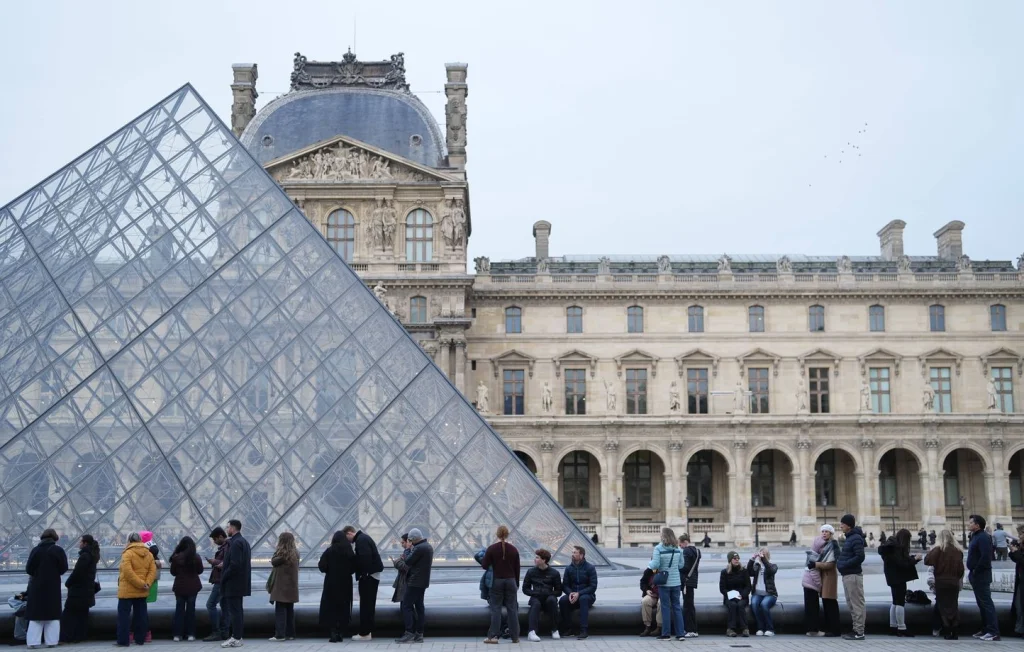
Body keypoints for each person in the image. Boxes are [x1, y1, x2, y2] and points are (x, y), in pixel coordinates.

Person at [25, 528, 68, 649]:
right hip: (53, 586)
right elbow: (64, 568)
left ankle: (33, 642)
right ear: (55, 538)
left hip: (37, 586)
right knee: (53, 615)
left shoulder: (36, 550)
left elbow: (28, 569)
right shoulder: (58, 550)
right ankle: (52, 641)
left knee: (36, 615)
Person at [116, 533, 157, 648]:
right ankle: (140, 639)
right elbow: (152, 571)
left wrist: (139, 583)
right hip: (142, 590)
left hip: (127, 590)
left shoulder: (127, 553)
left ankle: (123, 641)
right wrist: (146, 583)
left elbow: (128, 572)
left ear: (129, 540)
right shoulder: (148, 554)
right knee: (141, 616)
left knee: (123, 617)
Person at [481, 525, 521, 644]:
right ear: (507, 534)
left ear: (497, 535)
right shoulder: (514, 549)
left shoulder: (492, 549)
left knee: (496, 609)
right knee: (512, 609)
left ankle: (493, 636)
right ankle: (515, 637)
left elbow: (484, 565)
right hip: (511, 581)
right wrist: (516, 583)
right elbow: (517, 569)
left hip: (497, 581)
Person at [344, 526, 384, 642]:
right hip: (372, 576)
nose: (348, 541)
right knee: (369, 605)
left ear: (350, 533)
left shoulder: (361, 540)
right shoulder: (364, 538)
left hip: (368, 577)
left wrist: (363, 575)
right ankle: (367, 632)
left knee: (366, 605)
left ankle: (365, 633)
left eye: (347, 538)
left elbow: (364, 559)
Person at [878, 529, 920, 637]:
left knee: (895, 602)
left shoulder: (890, 546)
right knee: (900, 602)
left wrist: (912, 559)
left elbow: (899, 561)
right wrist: (915, 559)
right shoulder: (895, 548)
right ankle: (902, 627)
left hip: (892, 577)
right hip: (898, 578)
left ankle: (893, 627)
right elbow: (902, 564)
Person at [394, 528, 432, 644]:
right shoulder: (428, 546)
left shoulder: (418, 548)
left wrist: (408, 550)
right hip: (423, 582)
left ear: (413, 539)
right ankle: (419, 634)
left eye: (410, 540)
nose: (409, 542)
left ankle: (409, 632)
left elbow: (408, 561)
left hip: (414, 581)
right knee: (419, 607)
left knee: (406, 605)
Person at [924, 529, 964, 640]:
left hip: (941, 582)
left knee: (943, 607)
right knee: (953, 606)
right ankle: (955, 631)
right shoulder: (958, 551)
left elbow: (927, 561)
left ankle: (947, 631)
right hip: (954, 582)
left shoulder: (939, 549)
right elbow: (961, 570)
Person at [219, 519, 252, 648]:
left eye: (228, 528)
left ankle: (236, 637)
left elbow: (235, 565)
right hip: (240, 583)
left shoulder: (236, 543)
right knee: (238, 611)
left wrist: (224, 577)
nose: (227, 530)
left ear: (233, 528)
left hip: (233, 583)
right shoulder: (244, 542)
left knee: (235, 612)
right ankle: (238, 636)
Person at [967, 514, 999, 641]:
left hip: (981, 575)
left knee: (986, 603)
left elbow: (986, 557)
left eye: (971, 522)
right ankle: (986, 629)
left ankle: (993, 631)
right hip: (977, 575)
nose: (969, 524)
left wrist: (975, 570)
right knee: (982, 604)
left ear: (977, 525)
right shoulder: (976, 536)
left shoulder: (983, 537)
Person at [60, 534, 98, 644]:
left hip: (78, 591)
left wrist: (68, 583)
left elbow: (77, 573)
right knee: (82, 615)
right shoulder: (93, 555)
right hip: (87, 591)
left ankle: (66, 637)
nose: (78, 543)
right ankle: (80, 636)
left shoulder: (85, 556)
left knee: (68, 614)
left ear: (85, 543)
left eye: (80, 541)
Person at [318, 531, 355, 643]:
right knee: (343, 607)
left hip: (331, 583)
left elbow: (322, 566)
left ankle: (333, 632)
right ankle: (341, 632)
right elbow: (354, 567)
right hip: (346, 583)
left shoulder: (329, 551)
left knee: (332, 607)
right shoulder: (349, 551)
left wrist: (330, 569)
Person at [648, 527, 684, 641]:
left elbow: (655, 565)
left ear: (663, 536)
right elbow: (681, 565)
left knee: (665, 608)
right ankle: (680, 634)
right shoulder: (678, 549)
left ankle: (666, 634)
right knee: (677, 607)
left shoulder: (658, 548)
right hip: (676, 582)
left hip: (664, 583)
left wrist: (649, 563)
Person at [837, 514, 866, 640]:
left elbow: (860, 557)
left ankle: (859, 632)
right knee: (851, 604)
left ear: (848, 525)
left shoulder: (856, 538)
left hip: (853, 575)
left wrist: (844, 564)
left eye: (842, 524)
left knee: (856, 604)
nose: (840, 526)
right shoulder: (850, 538)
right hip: (848, 574)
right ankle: (855, 629)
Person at [522, 548, 562, 641]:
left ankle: (554, 629)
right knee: (535, 604)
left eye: (537, 557)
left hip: (549, 597)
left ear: (544, 560)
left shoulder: (554, 573)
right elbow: (525, 589)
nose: (534, 559)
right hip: (536, 596)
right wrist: (535, 593)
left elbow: (559, 591)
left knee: (552, 600)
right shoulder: (531, 571)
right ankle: (532, 631)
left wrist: (549, 593)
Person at [170, 536, 204, 642]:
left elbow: (173, 572)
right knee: (191, 611)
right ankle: (191, 634)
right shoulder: (196, 557)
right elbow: (200, 570)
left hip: (180, 586)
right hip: (193, 587)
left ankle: (177, 635)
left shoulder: (176, 557)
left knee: (179, 611)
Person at [559, 546, 597, 640]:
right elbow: (565, 585)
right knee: (563, 601)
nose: (572, 554)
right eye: (572, 552)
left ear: (581, 555)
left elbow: (593, 587)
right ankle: (569, 629)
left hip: (587, 596)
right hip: (573, 595)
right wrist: (570, 593)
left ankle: (584, 630)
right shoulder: (568, 568)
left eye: (575, 552)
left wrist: (579, 593)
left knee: (583, 599)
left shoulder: (590, 568)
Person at [268, 533, 299, 643]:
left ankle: (280, 635)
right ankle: (291, 634)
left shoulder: (282, 554)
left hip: (281, 587)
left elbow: (273, 561)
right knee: (290, 611)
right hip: (291, 587)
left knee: (280, 611)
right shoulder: (295, 553)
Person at [203, 527, 231, 642]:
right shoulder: (228, 546)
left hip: (221, 581)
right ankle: (225, 632)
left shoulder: (227, 547)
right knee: (225, 606)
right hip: (224, 580)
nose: (214, 542)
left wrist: (214, 562)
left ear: (220, 536)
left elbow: (227, 562)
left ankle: (216, 631)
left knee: (210, 604)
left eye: (215, 539)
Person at [748, 547, 778, 637]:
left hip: (770, 594)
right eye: (761, 554)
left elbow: (770, 571)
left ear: (767, 555)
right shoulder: (757, 566)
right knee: (754, 604)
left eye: (764, 554)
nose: (761, 556)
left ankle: (770, 629)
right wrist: (752, 559)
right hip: (757, 593)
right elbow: (749, 572)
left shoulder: (773, 566)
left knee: (764, 605)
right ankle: (760, 628)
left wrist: (764, 559)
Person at [138, 531, 161, 644]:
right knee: (142, 609)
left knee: (140, 610)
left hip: (145, 582)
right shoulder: (153, 546)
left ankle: (142, 633)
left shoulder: (144, 549)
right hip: (152, 582)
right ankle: (147, 634)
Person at [719, 551, 750, 637]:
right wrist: (730, 594)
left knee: (740, 605)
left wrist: (742, 595)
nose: (737, 560)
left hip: (742, 597)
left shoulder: (744, 571)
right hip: (730, 597)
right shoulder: (724, 572)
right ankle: (730, 629)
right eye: (734, 559)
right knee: (732, 605)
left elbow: (748, 587)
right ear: (730, 560)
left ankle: (745, 628)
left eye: (738, 559)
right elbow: (722, 588)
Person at [801, 532, 826, 636]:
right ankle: (813, 631)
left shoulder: (811, 554)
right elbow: (814, 572)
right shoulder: (815, 556)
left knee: (809, 607)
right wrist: (820, 587)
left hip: (807, 583)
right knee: (813, 608)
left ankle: (810, 630)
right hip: (811, 584)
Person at [679, 532, 701, 638]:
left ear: (685, 542)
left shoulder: (686, 551)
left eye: (680, 544)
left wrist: (677, 566)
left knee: (687, 606)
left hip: (686, 581)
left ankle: (690, 630)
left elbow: (685, 567)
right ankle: (694, 629)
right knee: (690, 605)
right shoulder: (697, 551)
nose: (680, 547)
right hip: (693, 580)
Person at [1009, 524, 1024, 638]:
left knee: (1020, 605)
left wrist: (1016, 552)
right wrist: (1013, 551)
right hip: (1020, 578)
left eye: (1020, 534)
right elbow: (1017, 559)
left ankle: (1020, 629)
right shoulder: (1021, 545)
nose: (1019, 536)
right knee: (1019, 605)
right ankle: (1019, 628)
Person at [638, 567, 661, 636]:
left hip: (663, 595)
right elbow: (643, 582)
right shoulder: (649, 571)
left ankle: (659, 627)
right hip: (652, 594)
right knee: (645, 601)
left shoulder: (665, 569)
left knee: (661, 603)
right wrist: (646, 590)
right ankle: (647, 626)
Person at [391, 534, 412, 605]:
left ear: (408, 542)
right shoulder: (409, 552)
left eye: (403, 542)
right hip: (407, 582)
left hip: (406, 582)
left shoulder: (409, 552)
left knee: (405, 606)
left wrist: (396, 562)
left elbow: (404, 566)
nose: (401, 545)